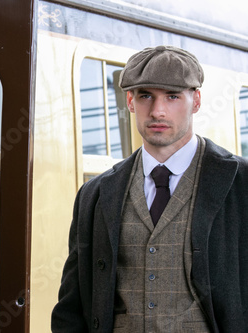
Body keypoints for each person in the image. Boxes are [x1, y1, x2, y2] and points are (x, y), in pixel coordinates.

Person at [51, 45, 248, 332]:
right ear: (130, 101)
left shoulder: (241, 184)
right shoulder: (94, 194)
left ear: (196, 101)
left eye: (172, 96)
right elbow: (72, 306)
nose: (158, 111)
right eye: (146, 96)